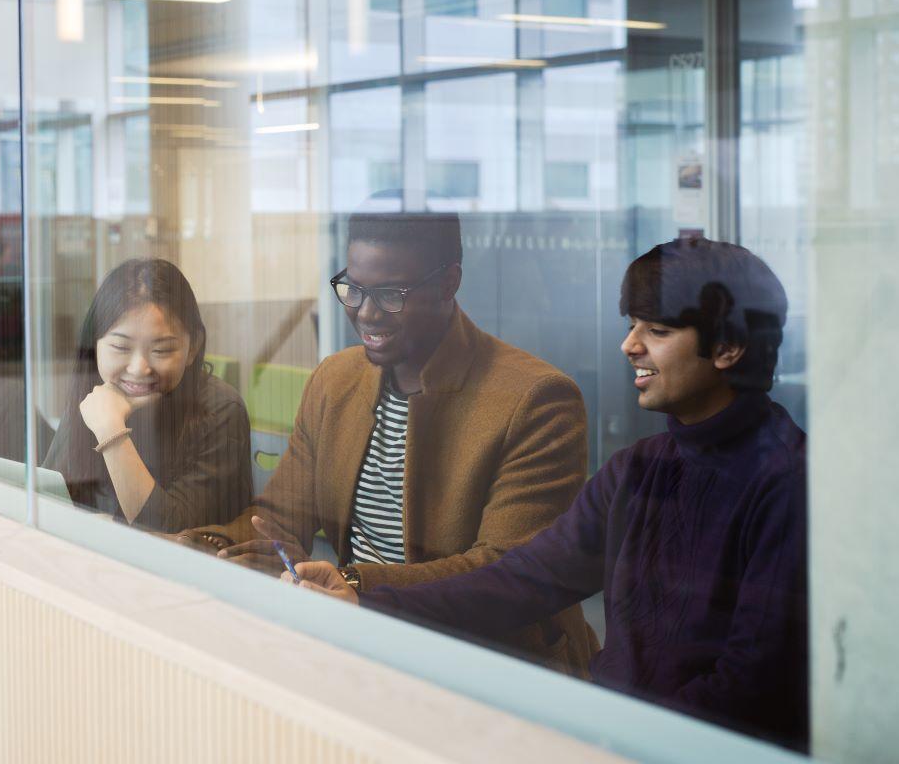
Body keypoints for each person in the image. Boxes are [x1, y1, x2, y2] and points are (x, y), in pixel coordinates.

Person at [287, 238, 809, 752]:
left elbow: (750, 684)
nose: (630, 346)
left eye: (659, 330)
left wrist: (618, 741)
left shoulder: (788, 482)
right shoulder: (639, 469)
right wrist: (364, 597)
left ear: (727, 348)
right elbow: (520, 581)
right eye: (631, 326)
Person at [181, 209, 598, 676]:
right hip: (361, 636)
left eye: (391, 295)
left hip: (489, 661)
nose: (365, 311)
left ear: (449, 283)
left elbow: (503, 573)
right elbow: (277, 520)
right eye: (353, 289)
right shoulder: (336, 379)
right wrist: (195, 545)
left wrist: (353, 580)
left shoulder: (536, 399)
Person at [43, 258, 252, 534]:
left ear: (193, 347)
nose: (139, 368)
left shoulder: (222, 409)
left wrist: (111, 431)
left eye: (162, 350)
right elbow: (47, 496)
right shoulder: (96, 397)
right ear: (94, 345)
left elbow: (167, 532)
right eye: (120, 347)